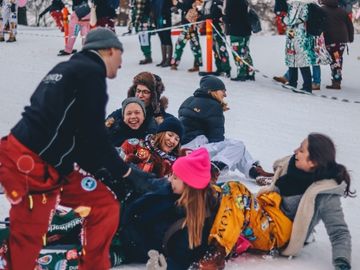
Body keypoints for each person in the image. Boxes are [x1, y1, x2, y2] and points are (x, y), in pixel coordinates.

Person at [0, 27, 149, 269]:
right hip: (31, 165)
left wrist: (103, 170)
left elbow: (78, 137)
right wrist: (127, 173)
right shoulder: (90, 73)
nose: (121, 64)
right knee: (27, 243)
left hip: (53, 166)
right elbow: (94, 135)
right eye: (120, 56)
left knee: (103, 205)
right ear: (109, 51)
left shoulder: (65, 68)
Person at [147, 133, 353, 270]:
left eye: (301, 150)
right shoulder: (292, 167)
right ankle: (172, 212)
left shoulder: (324, 191)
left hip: (277, 232)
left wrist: (342, 262)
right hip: (263, 211)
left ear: (314, 161)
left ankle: (216, 254)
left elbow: (339, 231)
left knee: (236, 189)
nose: (295, 151)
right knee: (216, 191)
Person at [178, 75, 273, 185]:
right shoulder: (213, 105)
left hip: (184, 147)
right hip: (195, 152)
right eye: (223, 90)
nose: (225, 94)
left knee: (233, 146)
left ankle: (255, 172)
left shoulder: (188, 101)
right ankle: (213, 170)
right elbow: (216, 138)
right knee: (237, 146)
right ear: (212, 91)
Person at [119, 116, 184, 177]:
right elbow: (115, 163)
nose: (172, 141)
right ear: (161, 133)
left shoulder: (173, 166)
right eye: (170, 135)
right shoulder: (135, 145)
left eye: (177, 139)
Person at [320, 0, 354, 89]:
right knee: (337, 59)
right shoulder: (342, 11)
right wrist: (350, 38)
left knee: (335, 60)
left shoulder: (322, 10)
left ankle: (336, 81)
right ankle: (337, 79)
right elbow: (350, 25)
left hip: (331, 40)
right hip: (342, 40)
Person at [224, 0, 255, 81]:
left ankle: (241, 74)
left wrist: (223, 18)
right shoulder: (244, 1)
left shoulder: (231, 2)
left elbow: (228, 18)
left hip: (236, 32)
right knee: (245, 51)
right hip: (246, 31)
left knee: (237, 53)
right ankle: (250, 73)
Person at [170, 0, 203, 72]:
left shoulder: (195, 1)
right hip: (188, 25)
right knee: (194, 46)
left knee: (182, 45)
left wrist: (177, 3)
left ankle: (175, 64)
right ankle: (197, 64)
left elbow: (186, 7)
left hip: (190, 26)